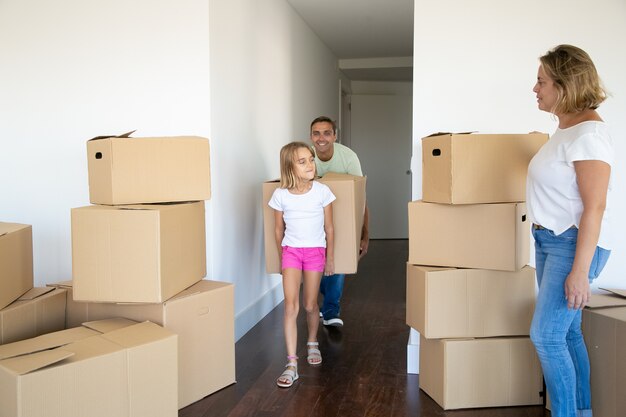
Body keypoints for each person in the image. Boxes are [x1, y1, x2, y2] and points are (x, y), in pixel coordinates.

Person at [527, 44, 613, 417]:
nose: (535, 88)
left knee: (546, 336)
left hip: (572, 245)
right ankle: (580, 412)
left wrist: (580, 271)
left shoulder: (588, 135)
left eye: (542, 81)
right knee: (568, 333)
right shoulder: (566, 130)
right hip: (550, 239)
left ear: (566, 85)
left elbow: (595, 206)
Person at [269, 141, 336, 388]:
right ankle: (291, 364)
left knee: (309, 304)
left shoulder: (322, 191)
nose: (310, 164)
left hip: (316, 252)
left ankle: (312, 342)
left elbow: (329, 227)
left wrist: (329, 258)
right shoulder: (280, 195)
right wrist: (282, 258)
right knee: (290, 306)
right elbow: (278, 231)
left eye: (311, 159)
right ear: (289, 166)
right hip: (291, 253)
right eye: (303, 161)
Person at [310, 116, 370, 327]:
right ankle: (326, 302)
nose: (321, 138)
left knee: (337, 261)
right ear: (311, 136)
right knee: (317, 262)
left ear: (335, 135)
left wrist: (364, 234)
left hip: (341, 218)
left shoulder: (348, 158)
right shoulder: (306, 158)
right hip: (314, 219)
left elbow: (360, 197)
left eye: (327, 133)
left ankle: (330, 310)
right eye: (316, 133)